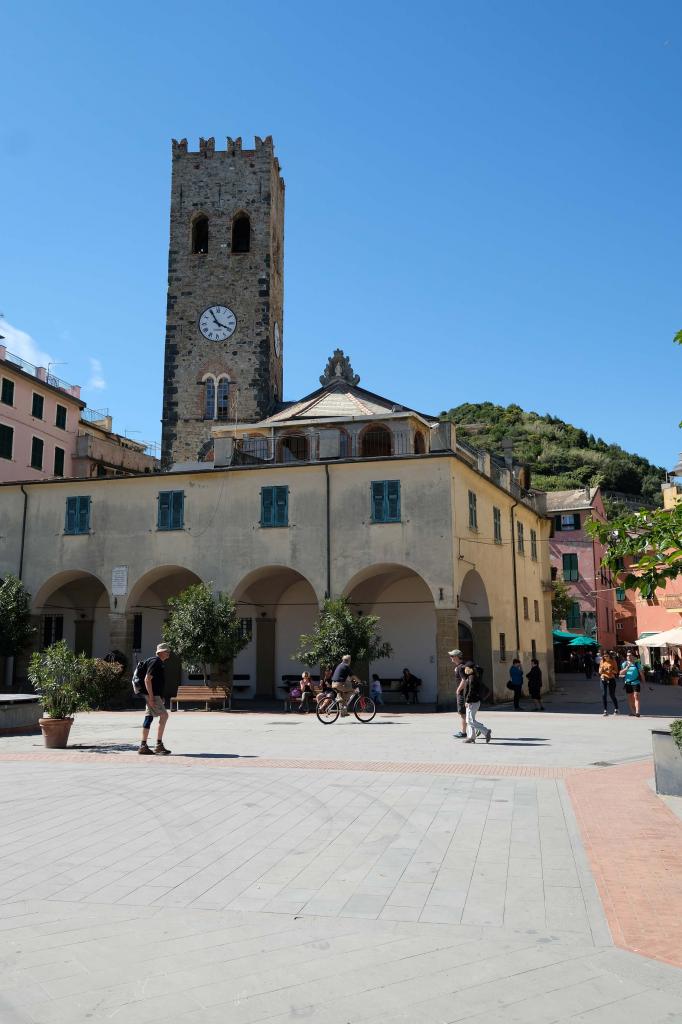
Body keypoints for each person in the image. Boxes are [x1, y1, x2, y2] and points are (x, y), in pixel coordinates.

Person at [139, 642, 172, 755]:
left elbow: (156, 681)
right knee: (164, 715)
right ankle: (158, 745)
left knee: (149, 718)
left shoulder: (158, 662)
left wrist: (160, 696)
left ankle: (143, 746)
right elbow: (147, 679)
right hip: (151, 695)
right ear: (161, 652)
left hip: (152, 694)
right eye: (167, 651)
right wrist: (152, 697)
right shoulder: (156, 662)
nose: (169, 653)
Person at [457, 665, 491, 744]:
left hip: (472, 702)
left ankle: (486, 731)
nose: (465, 670)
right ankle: (471, 737)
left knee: (469, 720)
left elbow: (471, 691)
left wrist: (467, 701)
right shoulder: (473, 677)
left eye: (466, 668)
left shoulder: (471, 678)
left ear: (470, 669)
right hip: (474, 701)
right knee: (469, 720)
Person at [448, 649, 468, 738]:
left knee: (463, 713)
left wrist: (458, 690)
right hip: (465, 693)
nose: (451, 658)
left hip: (462, 694)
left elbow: (464, 680)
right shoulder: (462, 666)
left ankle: (464, 732)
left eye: (452, 656)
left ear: (456, 657)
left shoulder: (460, 667)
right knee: (466, 714)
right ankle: (476, 729)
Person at [619, 650, 644, 717]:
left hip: (636, 682)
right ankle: (632, 712)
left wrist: (644, 683)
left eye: (630, 655)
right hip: (628, 683)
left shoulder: (637, 664)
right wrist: (627, 668)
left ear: (633, 656)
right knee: (630, 698)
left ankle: (637, 712)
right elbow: (621, 673)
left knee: (636, 696)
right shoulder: (624, 664)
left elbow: (641, 674)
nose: (629, 657)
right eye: (627, 655)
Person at [598, 650, 619, 716]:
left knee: (612, 695)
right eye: (604, 656)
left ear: (609, 655)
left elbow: (616, 671)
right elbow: (599, 672)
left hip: (611, 679)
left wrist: (611, 670)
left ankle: (616, 709)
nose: (605, 657)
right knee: (604, 694)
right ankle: (605, 710)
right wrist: (601, 670)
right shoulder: (602, 661)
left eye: (607, 656)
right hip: (603, 679)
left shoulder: (613, 661)